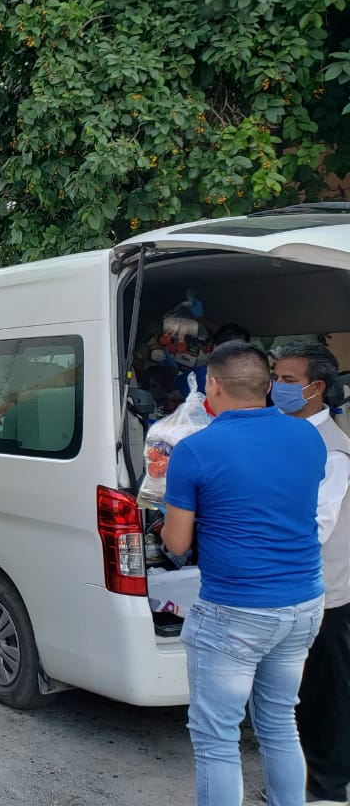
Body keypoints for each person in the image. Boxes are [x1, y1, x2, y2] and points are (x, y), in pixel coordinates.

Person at [162, 341, 326, 806]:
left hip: (236, 610)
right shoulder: (307, 437)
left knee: (217, 740)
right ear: (269, 386)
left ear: (212, 386)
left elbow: (176, 543)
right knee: (278, 723)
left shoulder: (194, 451)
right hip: (303, 603)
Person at [272, 343, 350, 806]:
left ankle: (328, 791)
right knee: (290, 695)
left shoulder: (333, 451)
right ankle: (294, 786)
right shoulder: (285, 434)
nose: (276, 387)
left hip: (325, 593)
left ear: (315, 388)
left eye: (286, 380)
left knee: (326, 695)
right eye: (275, 378)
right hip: (287, 589)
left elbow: (315, 527)